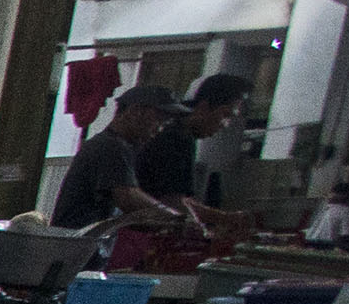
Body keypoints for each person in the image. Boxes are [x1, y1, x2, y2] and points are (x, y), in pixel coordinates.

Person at [50, 83, 243, 239]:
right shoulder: (110, 147)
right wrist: (178, 220)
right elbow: (129, 197)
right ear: (135, 112)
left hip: (83, 248)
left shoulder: (122, 147)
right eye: (159, 120)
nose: (159, 129)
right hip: (73, 249)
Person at [140, 71, 252, 215]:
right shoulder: (175, 139)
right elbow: (172, 201)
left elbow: (181, 199)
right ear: (203, 107)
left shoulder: (182, 135)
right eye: (225, 115)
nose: (225, 124)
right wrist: (221, 219)